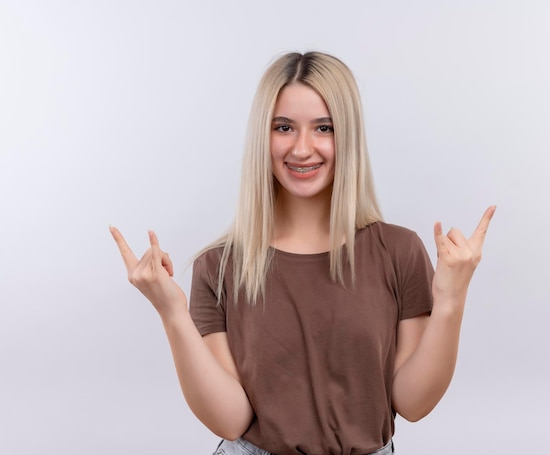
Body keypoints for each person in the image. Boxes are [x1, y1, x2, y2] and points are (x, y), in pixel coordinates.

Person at [110, 51, 495, 455]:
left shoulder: (398, 251)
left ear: (348, 135)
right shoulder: (219, 266)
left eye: (323, 127)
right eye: (284, 127)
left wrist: (452, 299)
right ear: (264, 135)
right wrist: (171, 312)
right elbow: (230, 420)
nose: (302, 148)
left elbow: (413, 404)